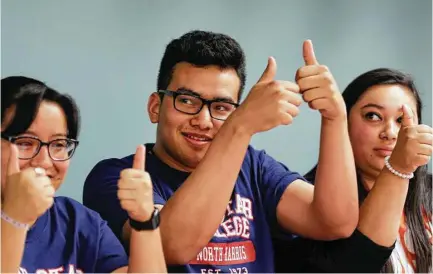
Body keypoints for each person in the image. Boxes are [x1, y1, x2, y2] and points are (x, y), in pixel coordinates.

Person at [83, 30, 359, 273]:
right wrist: (239, 127)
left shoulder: (252, 166)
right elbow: (172, 246)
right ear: (156, 107)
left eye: (222, 108)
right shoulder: (119, 177)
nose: (203, 121)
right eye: (187, 101)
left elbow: (334, 222)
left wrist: (335, 118)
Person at [0, 76, 167, 273]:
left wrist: (145, 220)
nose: (45, 162)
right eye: (25, 143)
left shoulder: (78, 223)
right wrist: (14, 219)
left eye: (59, 145)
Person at [274, 68, 432, 273]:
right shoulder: (309, 199)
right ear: (344, 123)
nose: (390, 133)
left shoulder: (428, 191)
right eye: (373, 116)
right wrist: (397, 169)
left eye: (402, 120)